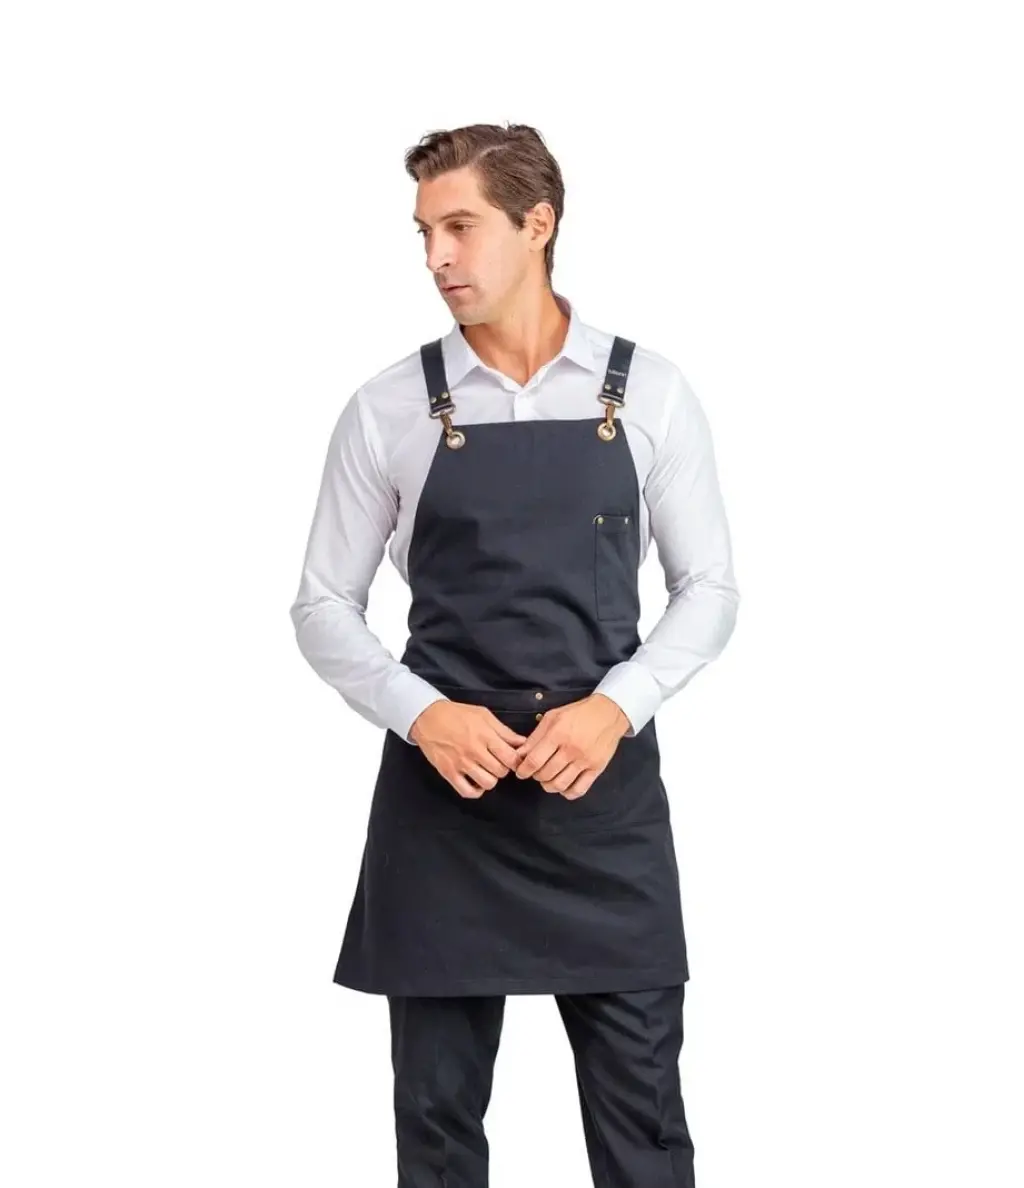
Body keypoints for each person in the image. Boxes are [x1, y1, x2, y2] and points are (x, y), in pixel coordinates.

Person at [288, 122, 740, 1188]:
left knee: (645, 1128)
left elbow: (710, 591)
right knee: (437, 1125)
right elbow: (321, 605)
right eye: (423, 233)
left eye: (459, 227)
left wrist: (616, 706)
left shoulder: (649, 393)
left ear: (538, 224)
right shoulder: (388, 408)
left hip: (602, 800)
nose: (435, 257)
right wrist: (422, 714)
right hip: (446, 799)